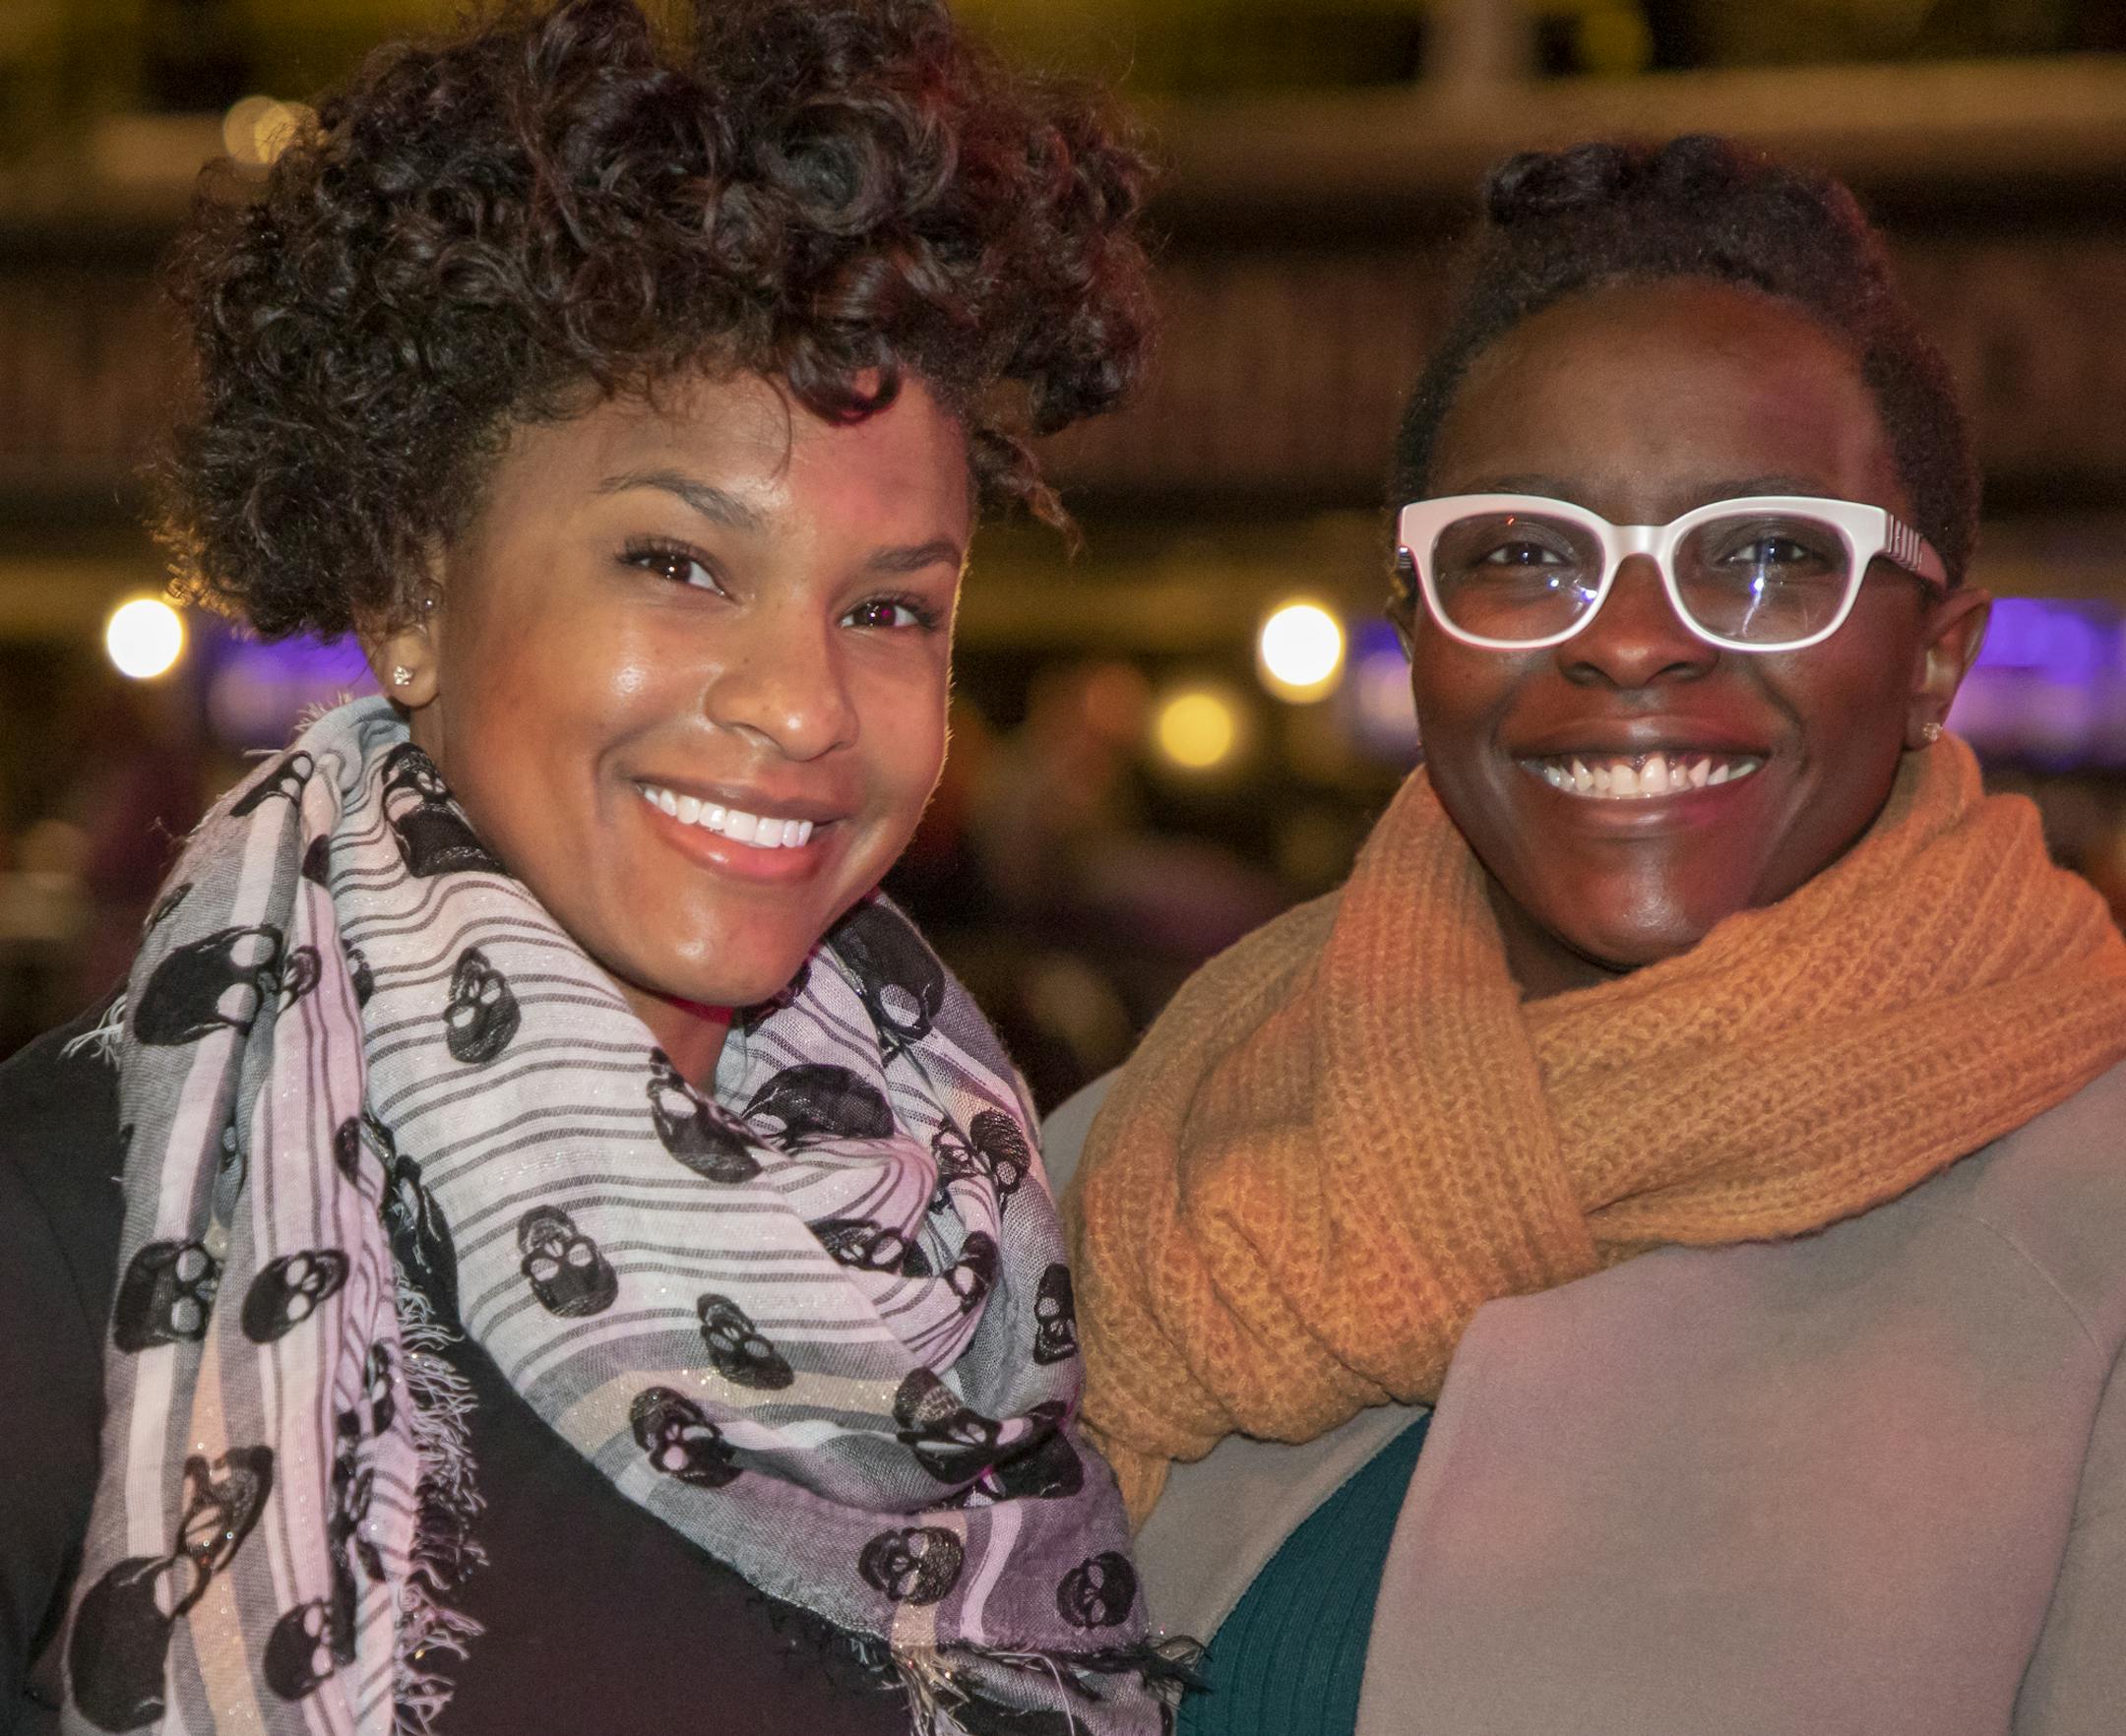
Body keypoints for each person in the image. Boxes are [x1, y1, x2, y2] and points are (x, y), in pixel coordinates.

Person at [0, 3, 1173, 1732]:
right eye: (678, 564)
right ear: (408, 588)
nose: (802, 705)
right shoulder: (71, 1230)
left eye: (889, 611)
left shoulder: (985, 1262)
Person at [1053, 136, 2126, 1735]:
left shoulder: (2089, 1240)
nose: (1629, 641)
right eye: (1525, 555)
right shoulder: (1130, 1158)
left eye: (1766, 558)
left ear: (1934, 661)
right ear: (1417, 627)